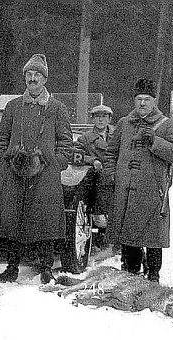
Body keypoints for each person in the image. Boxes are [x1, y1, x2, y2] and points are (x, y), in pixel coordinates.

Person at [0, 53, 73, 284]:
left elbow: (66, 141)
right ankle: (11, 267)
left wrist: (57, 163)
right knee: (14, 217)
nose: (32, 78)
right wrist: (2, 158)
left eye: (37, 74)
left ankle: (46, 266)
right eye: (29, 74)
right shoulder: (13, 106)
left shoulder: (57, 108)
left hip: (45, 173)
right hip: (14, 171)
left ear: (45, 79)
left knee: (45, 218)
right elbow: (2, 137)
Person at [103, 78, 173, 283]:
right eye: (138, 99)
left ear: (154, 101)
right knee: (129, 235)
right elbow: (110, 153)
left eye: (147, 99)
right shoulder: (124, 123)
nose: (142, 103)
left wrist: (155, 141)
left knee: (152, 237)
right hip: (126, 190)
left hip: (152, 191)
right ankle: (130, 273)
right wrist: (113, 175)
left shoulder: (166, 124)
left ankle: (153, 275)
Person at [74, 104, 115, 251]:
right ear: (92, 119)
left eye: (104, 116)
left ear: (109, 118)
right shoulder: (84, 139)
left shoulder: (118, 136)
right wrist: (93, 161)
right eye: (97, 116)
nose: (101, 120)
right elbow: (77, 156)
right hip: (96, 182)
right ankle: (100, 230)